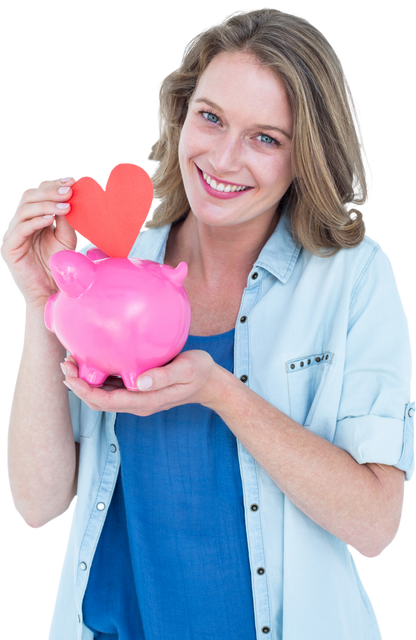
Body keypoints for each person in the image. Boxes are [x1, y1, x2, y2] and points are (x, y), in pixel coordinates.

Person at [2, 5, 415, 640]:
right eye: (211, 117)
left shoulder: (353, 278)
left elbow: (376, 526)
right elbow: (37, 505)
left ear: (305, 155)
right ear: (181, 113)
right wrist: (40, 304)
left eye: (265, 138)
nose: (222, 159)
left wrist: (219, 391)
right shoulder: (112, 265)